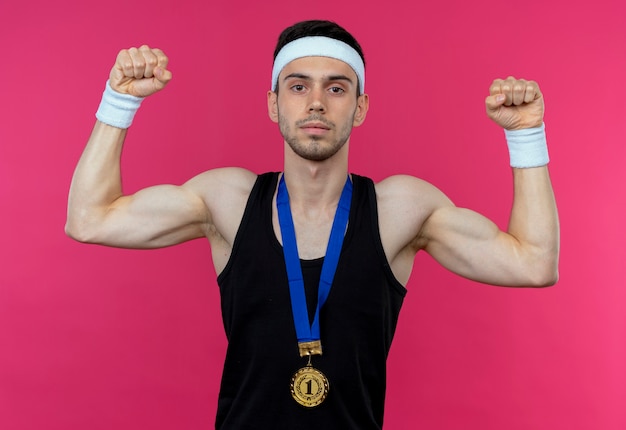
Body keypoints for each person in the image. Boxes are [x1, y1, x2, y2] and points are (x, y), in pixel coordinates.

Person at [66, 19, 559, 430]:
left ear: (360, 107)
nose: (316, 102)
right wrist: (119, 100)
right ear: (274, 104)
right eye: (298, 86)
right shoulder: (229, 201)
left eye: (337, 88)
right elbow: (89, 219)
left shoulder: (399, 210)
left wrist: (526, 136)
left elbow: (533, 263)